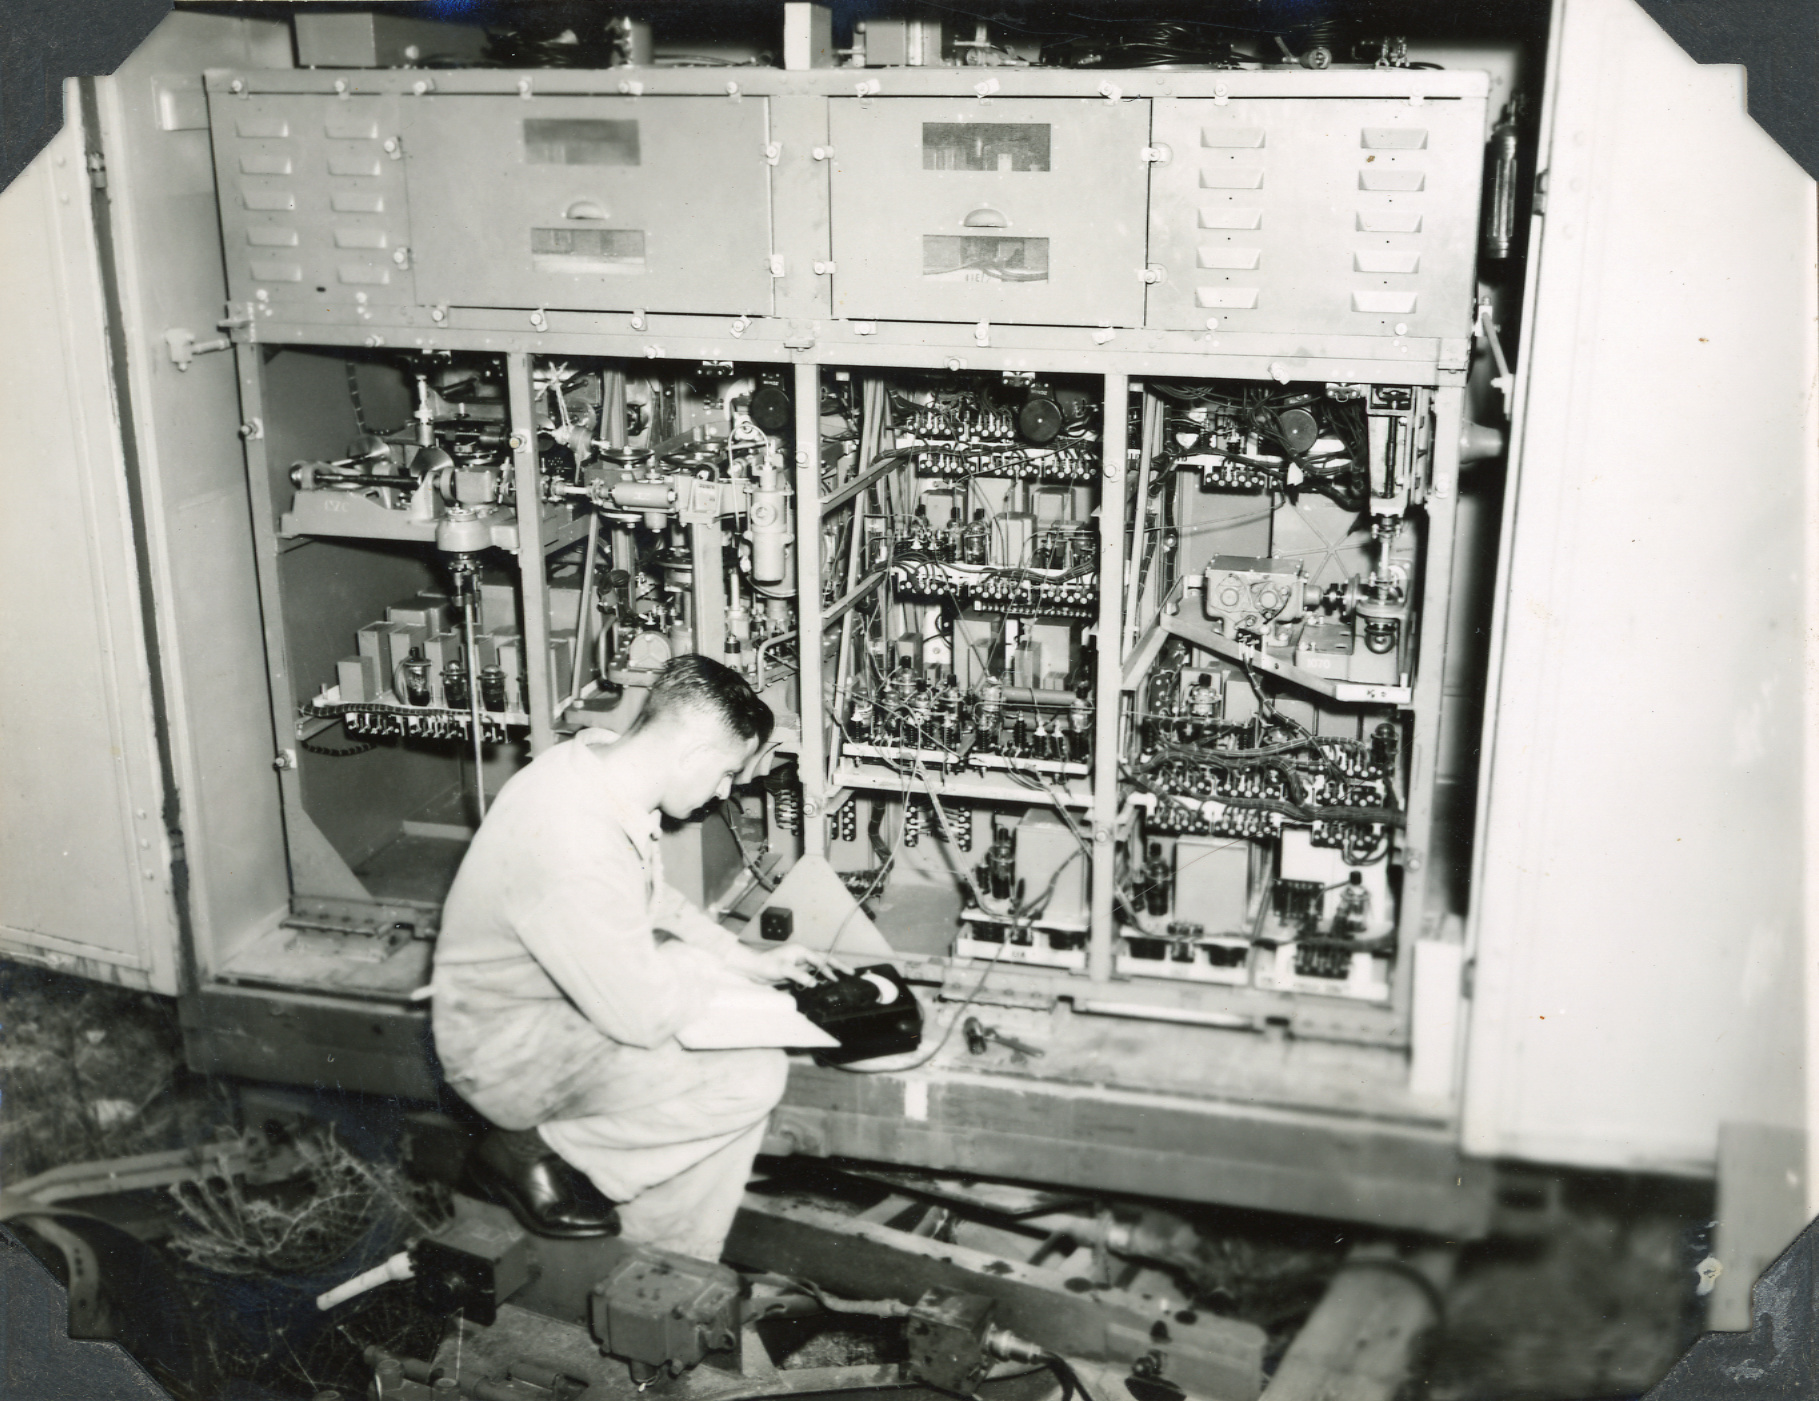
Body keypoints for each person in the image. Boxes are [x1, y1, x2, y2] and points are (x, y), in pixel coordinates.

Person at [429, 655, 839, 1260]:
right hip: (505, 1054)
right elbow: (640, 1017)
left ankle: (670, 1259)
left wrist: (742, 960)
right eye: (726, 773)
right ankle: (537, 1155)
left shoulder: (591, 764)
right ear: (695, 754)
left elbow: (651, 899)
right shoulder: (575, 841)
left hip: (544, 1012)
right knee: (749, 1078)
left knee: (729, 1080)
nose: (724, 791)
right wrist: (702, 972)